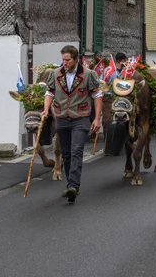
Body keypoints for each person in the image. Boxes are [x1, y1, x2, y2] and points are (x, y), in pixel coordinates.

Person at [41, 45, 103, 203]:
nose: (65, 63)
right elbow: (50, 92)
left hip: (80, 117)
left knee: (77, 150)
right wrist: (46, 109)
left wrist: (96, 118)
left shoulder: (88, 74)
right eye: (63, 60)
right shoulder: (56, 74)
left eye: (67, 60)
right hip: (62, 117)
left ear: (76, 60)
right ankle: (70, 184)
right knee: (66, 153)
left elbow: (97, 95)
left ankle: (74, 186)